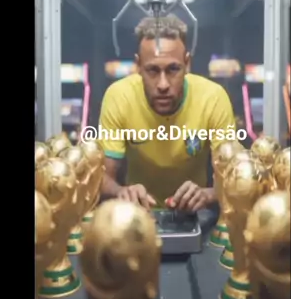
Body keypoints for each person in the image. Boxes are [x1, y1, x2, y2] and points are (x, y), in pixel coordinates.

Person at [98, 14, 237, 212]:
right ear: (138, 67)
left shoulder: (213, 98)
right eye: (152, 70)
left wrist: (208, 194)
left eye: (173, 69)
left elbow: (235, 178)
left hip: (195, 213)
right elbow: (103, 177)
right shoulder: (119, 97)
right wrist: (122, 191)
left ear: (187, 64)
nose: (163, 85)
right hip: (138, 213)